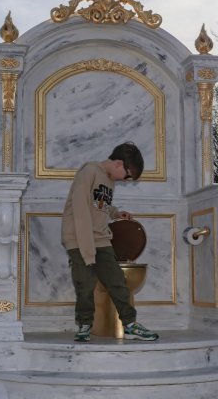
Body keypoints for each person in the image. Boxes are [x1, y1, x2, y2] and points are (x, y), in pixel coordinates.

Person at [62, 142, 158, 342]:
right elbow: (81, 211)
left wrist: (115, 213)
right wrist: (87, 251)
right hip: (79, 239)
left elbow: (100, 205)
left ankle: (130, 325)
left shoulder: (109, 180)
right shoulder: (89, 172)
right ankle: (85, 325)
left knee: (117, 282)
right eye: (128, 174)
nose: (127, 179)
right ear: (118, 163)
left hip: (101, 239)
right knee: (85, 285)